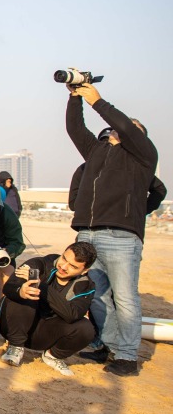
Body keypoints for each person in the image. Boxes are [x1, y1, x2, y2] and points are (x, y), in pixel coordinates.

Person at [65, 83, 160, 376]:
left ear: (139, 137)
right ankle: (108, 346)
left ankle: (128, 357)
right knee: (98, 296)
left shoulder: (143, 157)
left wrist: (98, 101)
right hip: (88, 236)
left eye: (131, 127)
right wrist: (74, 96)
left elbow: (124, 125)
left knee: (125, 298)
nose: (120, 128)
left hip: (121, 238)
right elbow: (74, 128)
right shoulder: (96, 152)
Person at [0, 242, 98, 377]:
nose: (64, 267)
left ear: (84, 271)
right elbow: (9, 288)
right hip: (13, 325)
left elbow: (73, 315)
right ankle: (15, 348)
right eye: (64, 258)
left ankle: (53, 356)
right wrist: (21, 291)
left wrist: (42, 286)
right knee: (29, 292)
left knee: (86, 328)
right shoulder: (38, 264)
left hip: (44, 334)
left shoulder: (86, 285)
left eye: (73, 266)